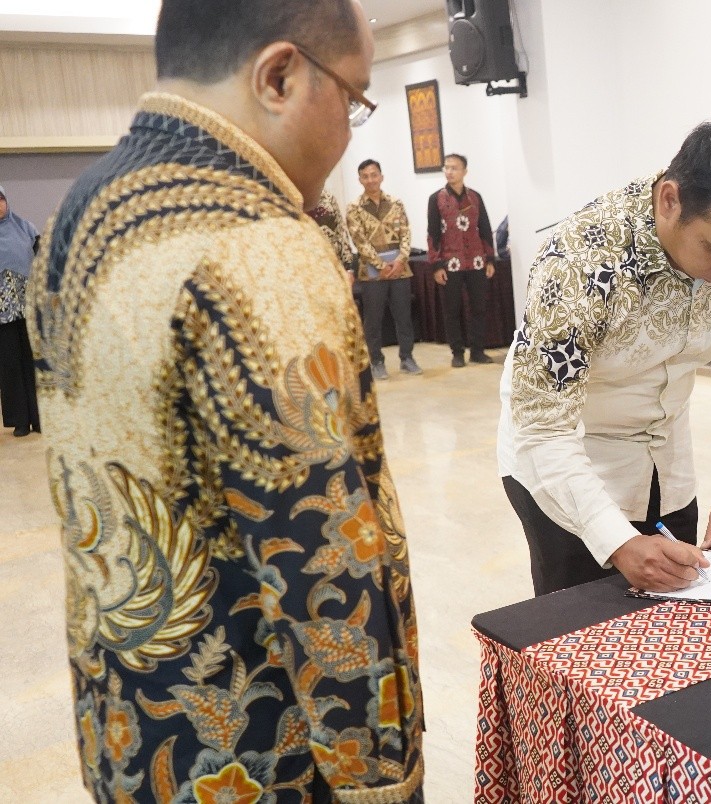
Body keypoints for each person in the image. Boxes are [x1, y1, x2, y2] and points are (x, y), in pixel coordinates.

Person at [26, 1, 424, 800]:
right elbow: (323, 560)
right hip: (261, 749)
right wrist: (380, 778)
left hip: (131, 728)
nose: (348, 132)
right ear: (279, 76)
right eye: (352, 99)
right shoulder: (259, 243)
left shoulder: (82, 208)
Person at [498, 116, 711, 596]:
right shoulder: (578, 263)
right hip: (568, 460)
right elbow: (543, 430)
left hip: (667, 456)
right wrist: (617, 541)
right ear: (669, 200)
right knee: (584, 618)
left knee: (678, 602)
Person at [347, 158, 418, 379]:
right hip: (371, 274)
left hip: (400, 270)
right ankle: (376, 361)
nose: (370, 180)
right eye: (365, 176)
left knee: (403, 317)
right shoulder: (354, 208)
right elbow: (359, 241)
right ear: (360, 180)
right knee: (373, 320)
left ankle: (407, 358)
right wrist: (380, 265)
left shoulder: (396, 203)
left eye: (374, 175)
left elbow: (406, 233)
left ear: (381, 177)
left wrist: (400, 260)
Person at [427, 153, 496, 367]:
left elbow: (485, 228)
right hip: (451, 262)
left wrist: (490, 259)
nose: (449, 172)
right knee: (452, 310)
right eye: (446, 167)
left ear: (464, 171)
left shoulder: (475, 197)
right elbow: (433, 234)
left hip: (476, 261)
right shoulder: (436, 199)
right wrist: (436, 264)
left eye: (454, 168)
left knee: (478, 308)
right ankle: (457, 353)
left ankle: (477, 351)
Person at [0, 184, 41, 437]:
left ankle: (39, 417)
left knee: (33, 361)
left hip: (27, 307)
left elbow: (43, 258)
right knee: (10, 365)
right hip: (2, 313)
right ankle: (20, 420)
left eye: (0, 199)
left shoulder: (25, 228)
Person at [308, 186, 358, 280]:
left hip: (333, 264)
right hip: (306, 266)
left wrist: (349, 268)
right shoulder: (288, 201)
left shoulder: (328, 198)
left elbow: (341, 232)